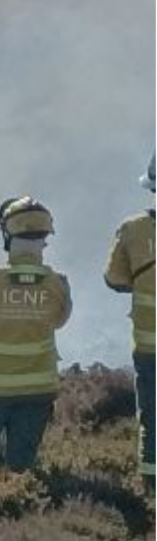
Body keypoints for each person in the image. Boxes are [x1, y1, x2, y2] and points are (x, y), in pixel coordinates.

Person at [0, 197, 72, 471]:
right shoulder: (57, 283)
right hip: (39, 389)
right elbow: (59, 321)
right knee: (21, 466)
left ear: (7, 234)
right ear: (44, 237)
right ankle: (22, 505)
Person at [104, 155, 156, 491]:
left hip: (150, 346)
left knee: (152, 418)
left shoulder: (132, 230)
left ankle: (152, 484)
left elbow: (114, 278)